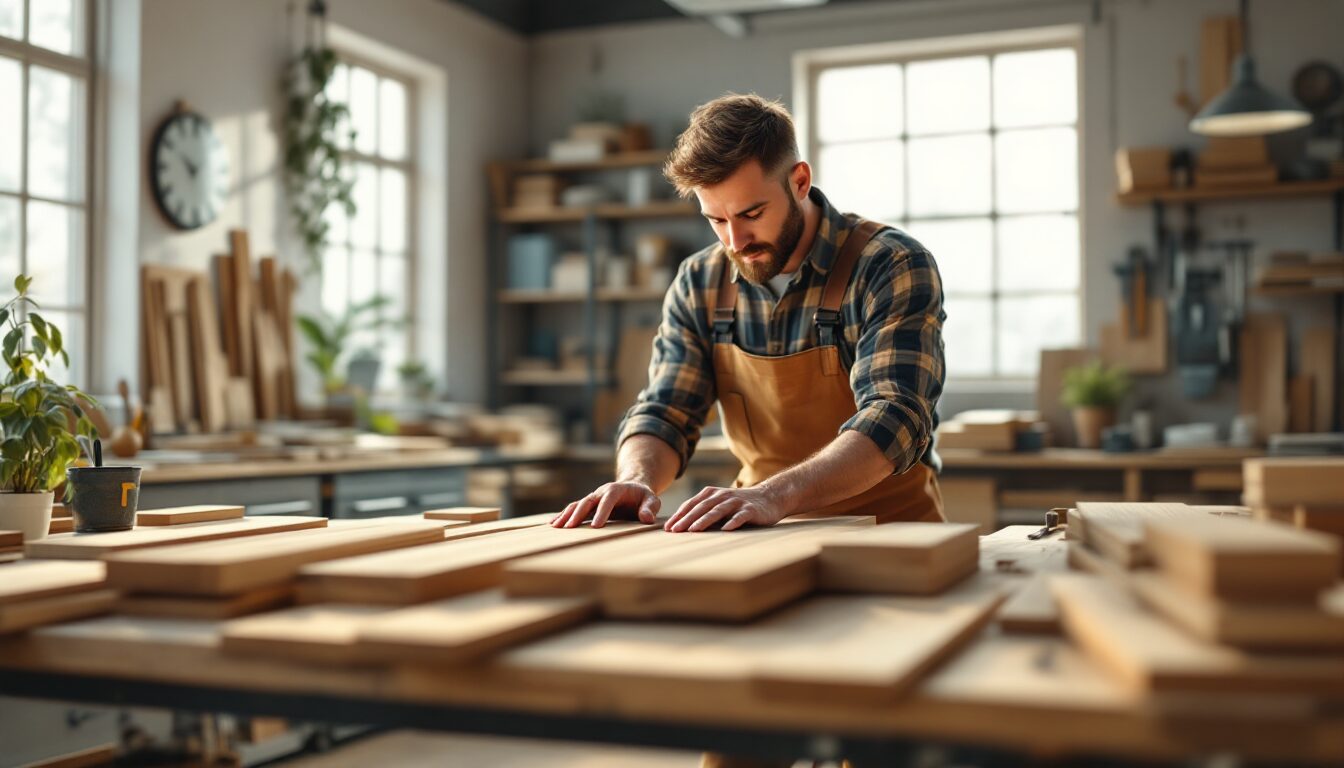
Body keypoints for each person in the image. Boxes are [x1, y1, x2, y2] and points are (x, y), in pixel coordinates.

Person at [552, 92, 945, 536]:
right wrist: (636, 479)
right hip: (762, 535)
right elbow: (666, 410)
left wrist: (772, 495)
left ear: (799, 181)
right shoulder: (700, 281)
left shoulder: (890, 265)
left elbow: (895, 415)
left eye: (751, 213)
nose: (735, 241)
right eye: (716, 220)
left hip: (892, 534)